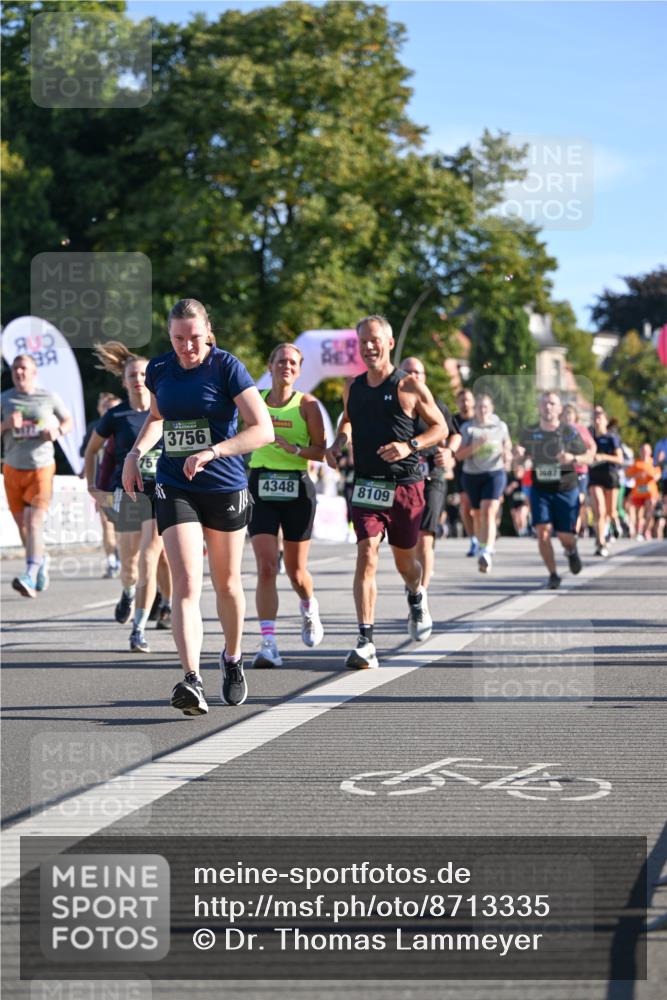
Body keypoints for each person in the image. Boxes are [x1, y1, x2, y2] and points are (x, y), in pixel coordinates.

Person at [122, 298, 273, 715]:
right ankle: (192, 679)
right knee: (187, 581)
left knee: (226, 584)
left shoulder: (226, 367)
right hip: (175, 484)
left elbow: (263, 430)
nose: (187, 346)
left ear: (208, 332)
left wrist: (214, 451)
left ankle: (232, 657)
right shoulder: (159, 369)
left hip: (224, 485)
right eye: (178, 339)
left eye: (194, 338)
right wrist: (134, 454)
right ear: (169, 336)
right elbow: (157, 417)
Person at [325, 315, 447, 669]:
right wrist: (338, 443)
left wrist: (410, 445)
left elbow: (439, 427)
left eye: (374, 340)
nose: (368, 347)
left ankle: (416, 593)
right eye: (362, 341)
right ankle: (366, 641)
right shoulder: (352, 386)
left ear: (389, 343)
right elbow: (348, 420)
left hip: (406, 486)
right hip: (367, 485)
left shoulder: (409, 385)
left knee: (406, 563)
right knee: (366, 553)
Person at [84, 343, 172, 653]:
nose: (138, 380)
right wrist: (93, 485)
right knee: (130, 562)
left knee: (152, 554)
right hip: (128, 492)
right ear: (123, 381)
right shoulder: (116, 415)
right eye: (132, 375)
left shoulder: (166, 409)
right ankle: (128, 591)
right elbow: (92, 450)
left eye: (143, 374)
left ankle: (140, 627)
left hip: (160, 490)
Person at [247, 343, 326, 668]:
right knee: (266, 566)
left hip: (297, 489)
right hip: (261, 485)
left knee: (295, 572)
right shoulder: (256, 401)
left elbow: (321, 451)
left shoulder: (307, 405)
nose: (286, 366)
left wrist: (294, 449)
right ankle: (268, 644)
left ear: (299, 369)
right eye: (281, 361)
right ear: (270, 365)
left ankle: (308, 606)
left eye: (293, 362)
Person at [1, 353, 72, 597]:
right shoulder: (4, 399)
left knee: (33, 522)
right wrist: (6, 425)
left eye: (23, 368)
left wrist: (57, 431)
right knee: (23, 526)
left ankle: (30, 574)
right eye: (15, 369)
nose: (19, 372)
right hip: (12, 468)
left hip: (41, 467)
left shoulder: (48, 397)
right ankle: (40, 561)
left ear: (34, 372)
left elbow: (68, 421)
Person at [514, 391, 594, 589]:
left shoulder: (568, 432)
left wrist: (572, 458)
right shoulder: (530, 432)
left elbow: (588, 457)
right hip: (540, 489)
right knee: (542, 532)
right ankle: (553, 574)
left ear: (559, 409)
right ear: (539, 408)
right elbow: (518, 461)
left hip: (566, 489)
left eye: (552, 403)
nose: (547, 407)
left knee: (566, 536)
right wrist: (518, 456)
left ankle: (571, 551)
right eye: (544, 403)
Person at [401, 357, 460, 589]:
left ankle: (421, 593)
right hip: (404, 479)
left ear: (424, 378)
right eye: (408, 371)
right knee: (408, 539)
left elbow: (455, 434)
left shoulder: (436, 405)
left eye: (418, 372)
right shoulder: (391, 405)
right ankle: (413, 577)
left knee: (425, 536)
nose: (413, 376)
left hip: (432, 477)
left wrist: (449, 452)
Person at [455, 393, 512, 574]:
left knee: (489, 511)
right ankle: (482, 545)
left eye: (485, 407)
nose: (482, 410)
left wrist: (508, 454)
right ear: (475, 409)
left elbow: (507, 445)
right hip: (472, 475)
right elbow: (459, 455)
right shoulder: (468, 428)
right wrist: (476, 446)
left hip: (495, 473)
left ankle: (486, 551)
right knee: (478, 514)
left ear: (491, 408)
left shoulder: (500, 426)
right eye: (479, 407)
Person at [80, 391, 122, 578]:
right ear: (99, 409)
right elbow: (86, 452)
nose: (108, 410)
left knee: (123, 525)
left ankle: (124, 556)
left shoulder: (125, 423)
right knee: (106, 524)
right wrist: (87, 472)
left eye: (112, 407)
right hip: (103, 482)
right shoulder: (94, 427)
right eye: (105, 407)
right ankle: (112, 561)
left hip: (123, 482)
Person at [588, 406, 624, 557]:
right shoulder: (589, 438)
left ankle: (615, 523)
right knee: (599, 511)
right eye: (594, 418)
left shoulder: (611, 438)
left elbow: (620, 459)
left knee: (610, 511)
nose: (597, 421)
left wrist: (603, 457)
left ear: (605, 421)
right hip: (595, 477)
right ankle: (600, 542)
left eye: (599, 418)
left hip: (610, 476)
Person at [561, 403, 595, 538]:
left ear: (575, 416)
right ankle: (573, 526)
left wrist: (588, 455)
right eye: (565, 413)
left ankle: (574, 528)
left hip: (580, 470)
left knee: (578, 499)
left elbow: (592, 446)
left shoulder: (581, 429)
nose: (567, 416)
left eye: (570, 413)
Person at [452, 388, 477, 554]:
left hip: (483, 469)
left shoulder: (480, 419)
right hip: (461, 469)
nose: (465, 403)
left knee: (483, 508)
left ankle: (485, 536)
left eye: (468, 400)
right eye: (462, 400)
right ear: (457, 403)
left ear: (473, 402)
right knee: (466, 506)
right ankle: (473, 539)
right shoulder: (453, 421)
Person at [625, 444, 661, 539]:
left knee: (649, 512)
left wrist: (651, 475)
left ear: (650, 452)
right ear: (640, 452)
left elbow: (658, 475)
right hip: (638, 492)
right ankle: (639, 532)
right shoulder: (636, 463)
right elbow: (628, 475)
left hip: (650, 492)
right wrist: (637, 475)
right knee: (638, 514)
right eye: (643, 451)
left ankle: (646, 530)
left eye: (646, 451)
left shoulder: (653, 462)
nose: (644, 453)